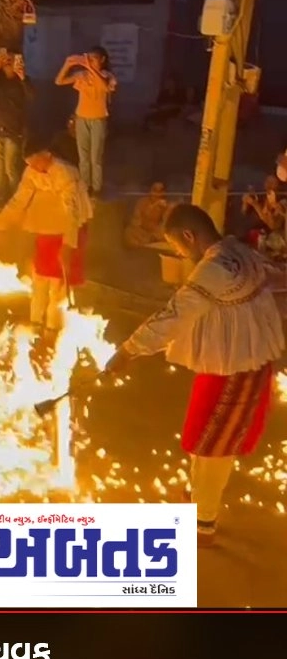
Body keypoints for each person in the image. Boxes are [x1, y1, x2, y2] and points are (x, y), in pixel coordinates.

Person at [105, 204, 285, 540]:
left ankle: (203, 520)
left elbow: (173, 316)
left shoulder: (214, 267)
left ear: (189, 236)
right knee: (205, 436)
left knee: (215, 446)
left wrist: (129, 350)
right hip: (228, 362)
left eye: (177, 247)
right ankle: (198, 498)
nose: (179, 253)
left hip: (237, 368)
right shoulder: (237, 250)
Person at [0, 138, 92, 337]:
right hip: (47, 228)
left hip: (69, 229)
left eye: (35, 162)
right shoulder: (32, 172)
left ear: (47, 155)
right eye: (29, 164)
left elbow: (72, 212)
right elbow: (19, 200)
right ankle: (35, 324)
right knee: (40, 277)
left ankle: (52, 329)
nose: (33, 167)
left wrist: (68, 245)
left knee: (57, 285)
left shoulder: (65, 173)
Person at [56, 47, 117, 196]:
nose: (90, 61)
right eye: (88, 58)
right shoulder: (82, 75)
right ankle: (85, 187)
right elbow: (59, 81)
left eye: (94, 58)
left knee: (95, 157)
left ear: (102, 59)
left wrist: (90, 68)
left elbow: (104, 88)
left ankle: (96, 188)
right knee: (83, 157)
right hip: (82, 118)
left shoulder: (108, 76)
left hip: (98, 120)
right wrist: (68, 64)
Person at [0, 48, 34, 204]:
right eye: (6, 60)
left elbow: (32, 96)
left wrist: (23, 77)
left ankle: (16, 199)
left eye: (12, 60)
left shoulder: (22, 81)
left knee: (11, 169)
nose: (8, 63)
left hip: (12, 131)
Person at [125, 182, 172, 248]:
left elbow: (165, 224)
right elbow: (136, 222)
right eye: (155, 190)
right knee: (129, 232)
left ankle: (149, 243)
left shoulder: (166, 205)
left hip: (156, 234)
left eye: (161, 190)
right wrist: (153, 206)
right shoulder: (141, 202)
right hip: (142, 232)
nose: (157, 193)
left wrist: (166, 210)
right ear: (150, 191)